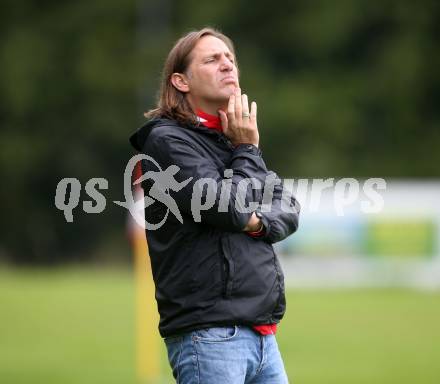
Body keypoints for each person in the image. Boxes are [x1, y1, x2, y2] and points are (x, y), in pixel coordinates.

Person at [130, 27, 300, 384]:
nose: (227, 65)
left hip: (263, 336)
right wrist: (248, 152)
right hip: (208, 335)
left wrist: (257, 223)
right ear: (181, 81)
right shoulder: (167, 142)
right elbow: (230, 209)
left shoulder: (233, 139)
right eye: (212, 59)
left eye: (230, 58)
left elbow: (287, 206)